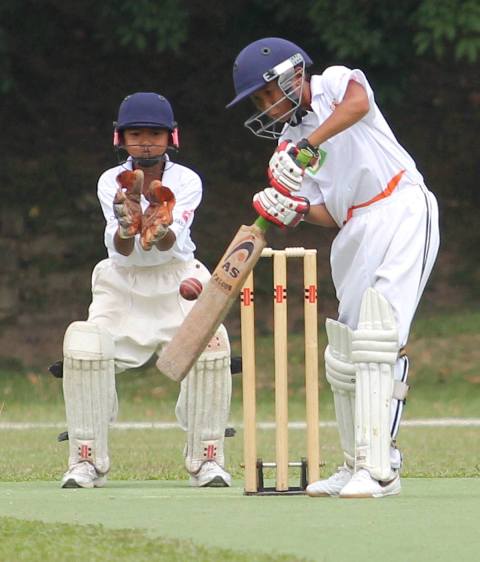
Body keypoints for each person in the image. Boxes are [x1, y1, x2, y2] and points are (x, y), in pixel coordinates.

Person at [227, 38, 439, 498]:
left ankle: (382, 466)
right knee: (345, 352)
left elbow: (359, 105)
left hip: (402, 205)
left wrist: (307, 144)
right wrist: (295, 209)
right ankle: (354, 461)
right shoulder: (286, 145)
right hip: (354, 228)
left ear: (291, 75)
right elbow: (326, 210)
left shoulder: (334, 84)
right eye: (259, 102)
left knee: (380, 338)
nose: (266, 106)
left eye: (267, 94)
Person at [61, 92, 232, 489]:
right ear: (119, 138)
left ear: (172, 137)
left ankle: (207, 458)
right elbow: (121, 248)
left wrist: (159, 226)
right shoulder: (112, 182)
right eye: (135, 134)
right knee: (86, 348)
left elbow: (172, 243)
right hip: (121, 282)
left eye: (154, 134)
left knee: (212, 347)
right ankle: (86, 459)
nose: (145, 142)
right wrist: (127, 226)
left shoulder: (187, 180)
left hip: (179, 279)